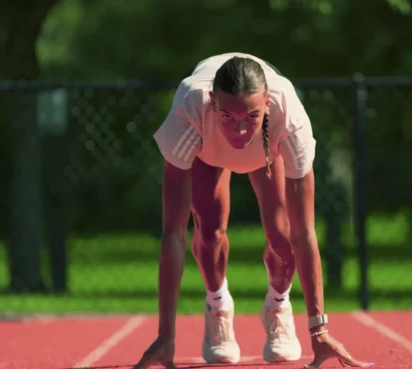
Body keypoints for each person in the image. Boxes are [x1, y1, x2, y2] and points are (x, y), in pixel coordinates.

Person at [134, 52, 372, 369]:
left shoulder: (289, 118)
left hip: (268, 149)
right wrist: (166, 335)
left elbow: (305, 232)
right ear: (212, 104)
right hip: (207, 151)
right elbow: (174, 233)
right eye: (228, 118)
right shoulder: (190, 110)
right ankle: (217, 304)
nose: (240, 130)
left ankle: (277, 304)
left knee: (284, 237)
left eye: (251, 116)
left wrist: (319, 329)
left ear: (268, 104)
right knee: (209, 232)